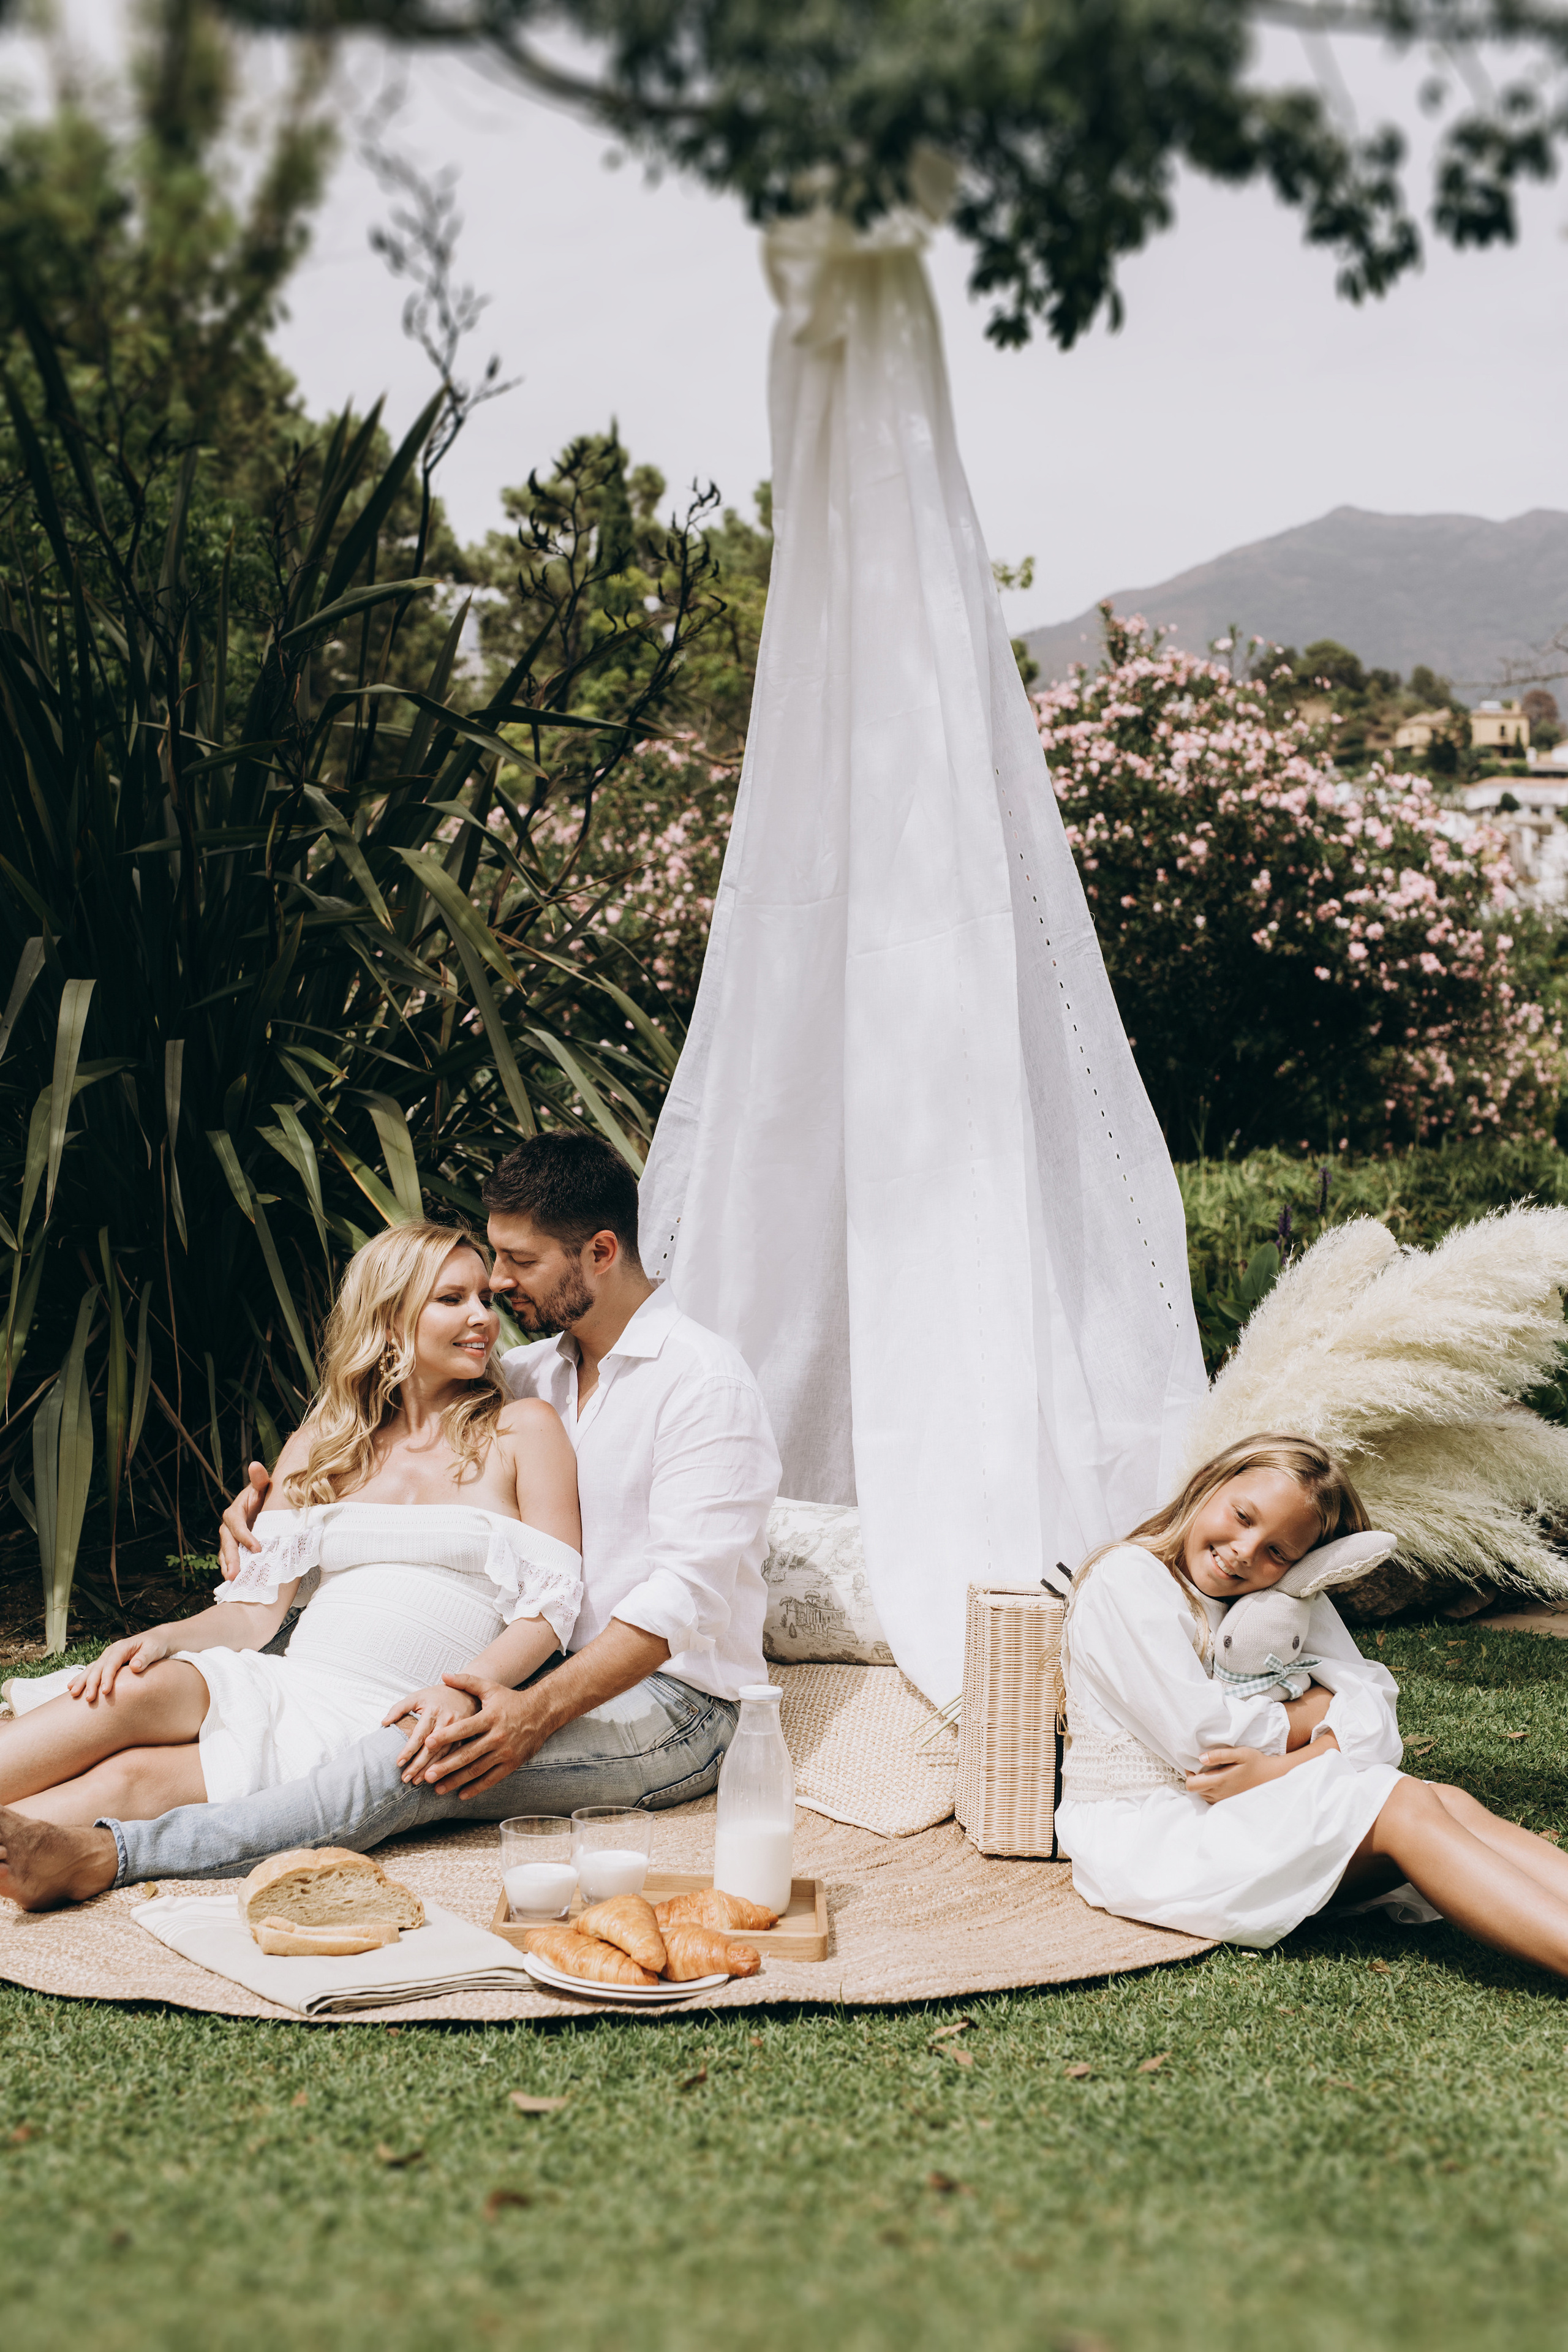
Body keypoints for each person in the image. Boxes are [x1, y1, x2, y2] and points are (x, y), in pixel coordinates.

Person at [0, 1134, 780, 1909]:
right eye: (470, 1284)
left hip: (671, 1700)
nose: (496, 1293)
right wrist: (261, 1517)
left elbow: (680, 1600)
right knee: (143, 1708)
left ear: (601, 1251)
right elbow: (402, 1440)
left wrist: (522, 1708)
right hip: (509, 1676)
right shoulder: (529, 1373)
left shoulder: (700, 1383)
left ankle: (107, 1857)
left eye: (516, 1264)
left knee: (409, 1759)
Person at [0, 1221, 581, 1826]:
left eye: (485, 1298)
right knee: (132, 1688)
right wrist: (165, 1638)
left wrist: (466, 1688)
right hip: (286, 1679)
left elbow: (550, 1609)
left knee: (130, 1780)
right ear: (387, 1319)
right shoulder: (322, 1445)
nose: (483, 1316)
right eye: (452, 1299)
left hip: (381, 1717)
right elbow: (254, 1614)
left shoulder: (522, 1429)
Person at [1057, 1434, 1568, 1977]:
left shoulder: (1281, 1595)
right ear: (1210, 1485)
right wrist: (1311, 1715)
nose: (1245, 1552)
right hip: (1151, 1835)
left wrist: (1283, 1766)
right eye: (1243, 1516)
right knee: (1401, 1808)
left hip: (1237, 1806)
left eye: (1278, 1550)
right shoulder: (1129, 1579)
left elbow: (1373, 1710)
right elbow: (1204, 1743)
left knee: (1445, 1800)